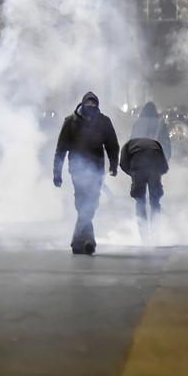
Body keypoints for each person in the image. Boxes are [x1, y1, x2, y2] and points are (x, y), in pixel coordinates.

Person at [53, 92, 120, 255]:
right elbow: (61, 149)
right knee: (84, 204)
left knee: (90, 204)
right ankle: (87, 240)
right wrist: (57, 173)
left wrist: (113, 165)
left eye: (93, 104)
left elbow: (112, 145)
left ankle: (79, 241)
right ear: (82, 104)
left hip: (96, 170)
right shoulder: (70, 122)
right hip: (77, 169)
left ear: (97, 105)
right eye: (88, 103)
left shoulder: (104, 122)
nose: (91, 106)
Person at [120, 136, 169, 241]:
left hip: (138, 169)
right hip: (154, 168)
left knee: (140, 201)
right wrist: (157, 174)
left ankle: (144, 235)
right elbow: (164, 166)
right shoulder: (156, 143)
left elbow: (123, 164)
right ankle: (156, 232)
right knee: (155, 202)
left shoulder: (128, 145)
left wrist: (133, 174)